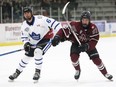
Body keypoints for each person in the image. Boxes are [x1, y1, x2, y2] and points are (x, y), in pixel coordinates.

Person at [51, 11, 113, 81]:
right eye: (83, 20)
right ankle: (78, 70)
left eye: (86, 20)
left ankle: (105, 73)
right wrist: (57, 37)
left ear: (89, 20)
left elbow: (94, 40)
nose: (84, 22)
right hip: (76, 43)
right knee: (74, 58)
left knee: (97, 60)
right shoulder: (75, 25)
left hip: (88, 44)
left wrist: (87, 46)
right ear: (81, 20)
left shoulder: (93, 28)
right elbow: (63, 30)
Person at [8, 7, 62, 83]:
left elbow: (56, 24)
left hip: (45, 39)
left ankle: (37, 72)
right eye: (25, 13)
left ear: (31, 13)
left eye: (28, 13)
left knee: (37, 51)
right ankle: (17, 72)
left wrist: (58, 36)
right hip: (33, 42)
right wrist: (26, 43)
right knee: (26, 57)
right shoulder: (24, 25)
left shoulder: (41, 19)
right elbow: (24, 37)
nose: (26, 14)